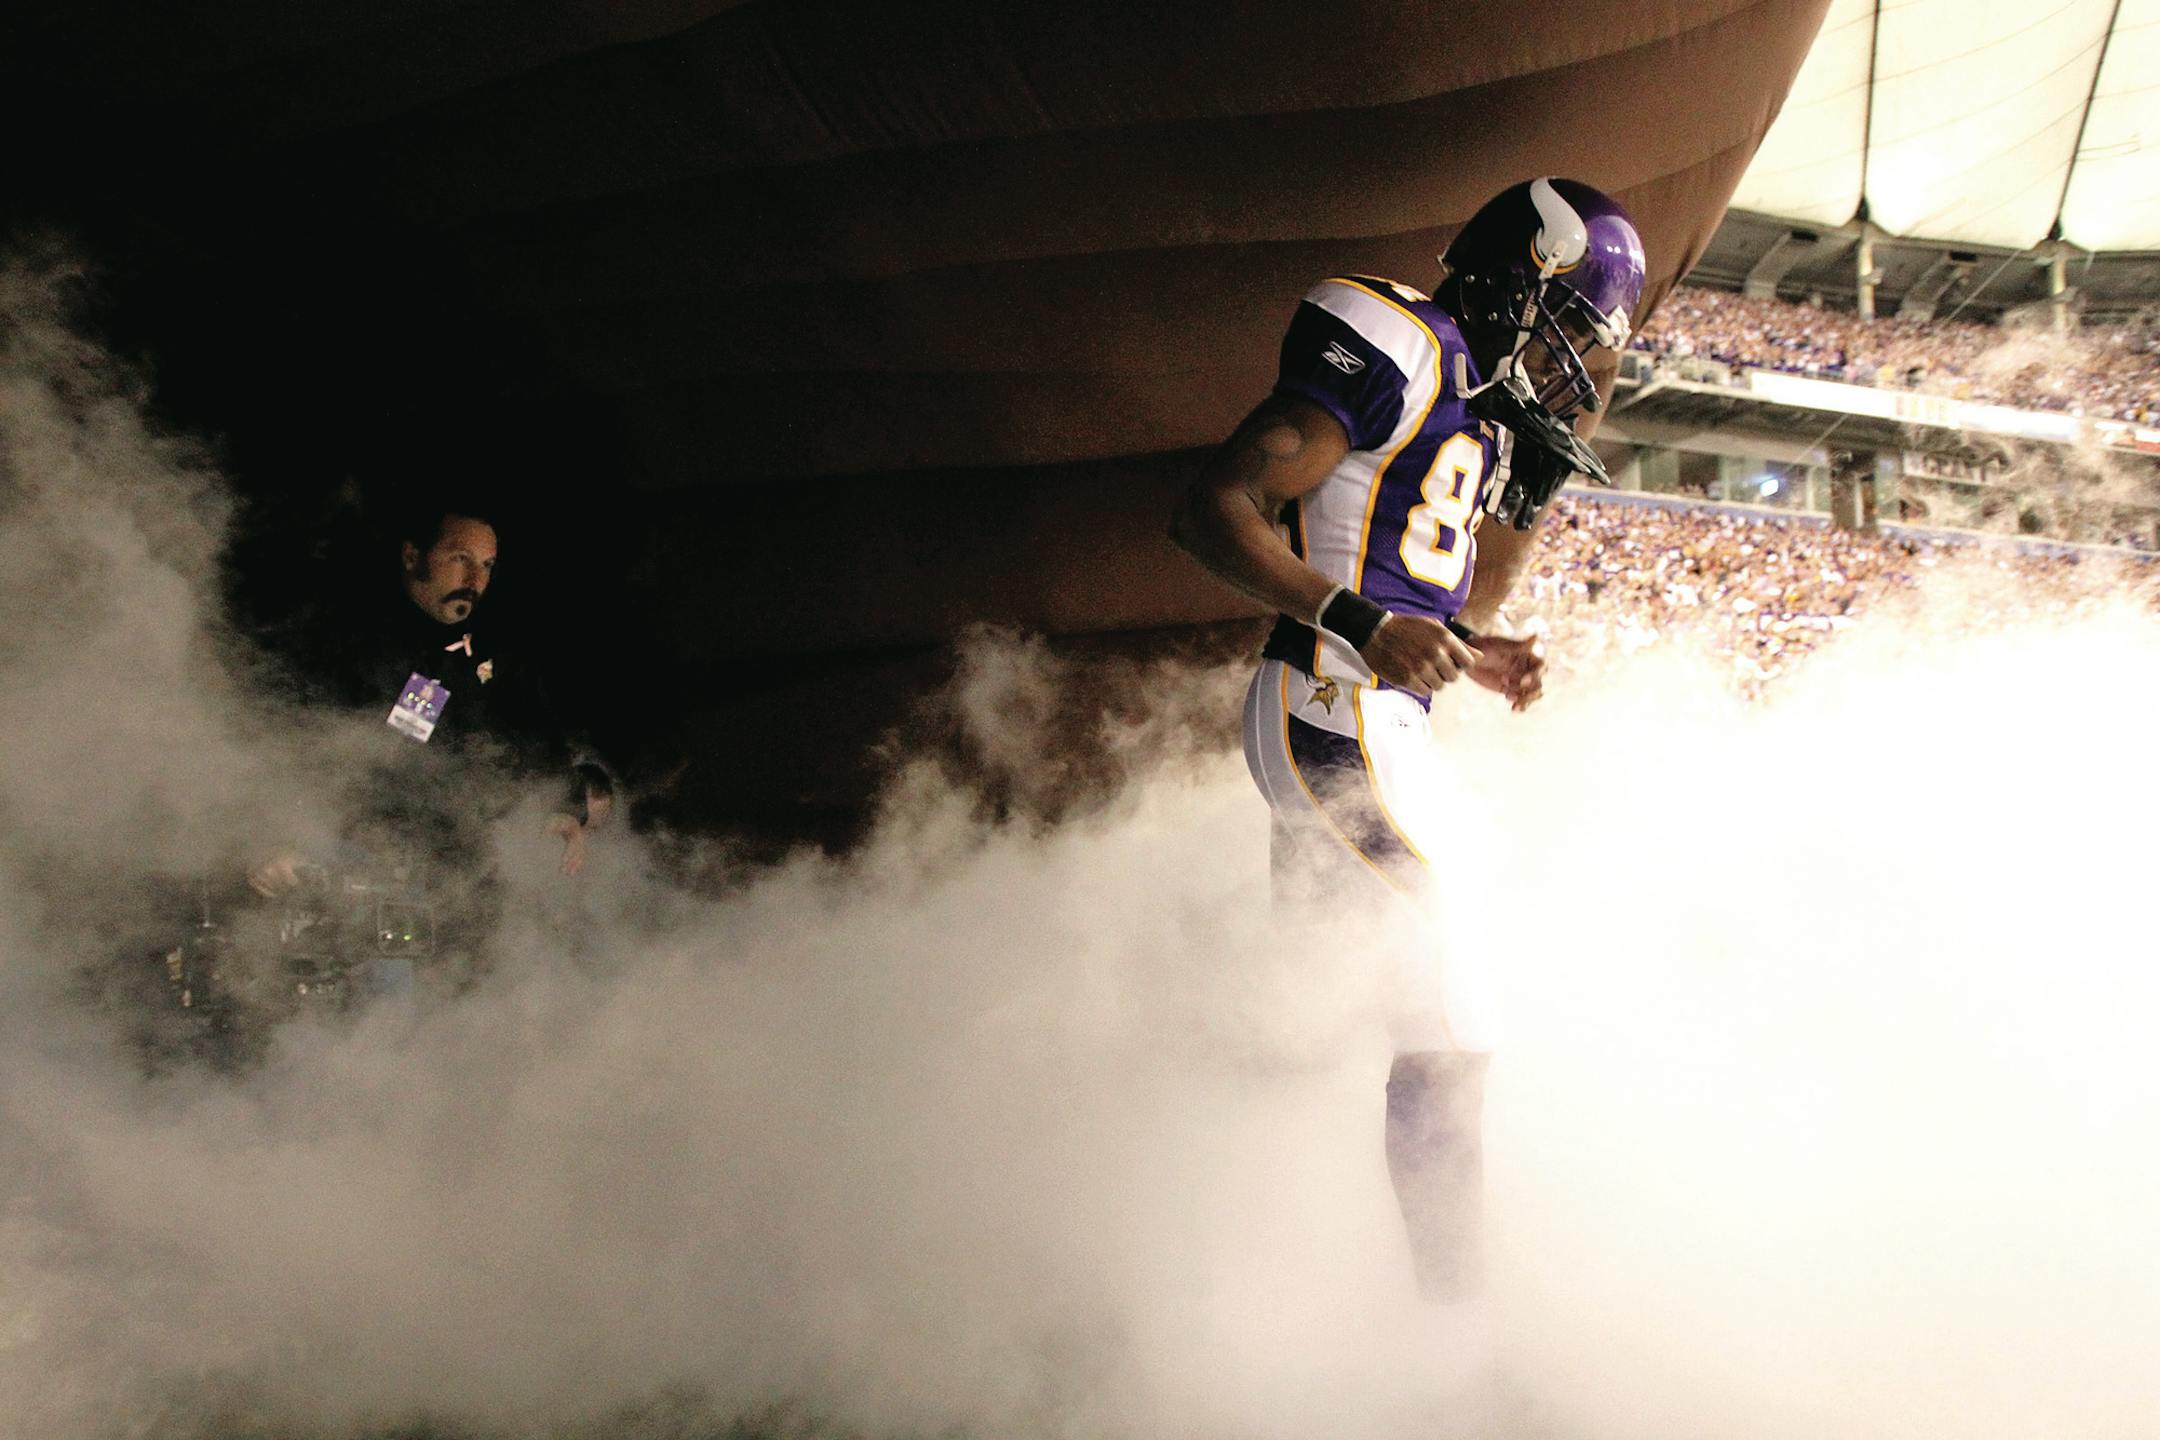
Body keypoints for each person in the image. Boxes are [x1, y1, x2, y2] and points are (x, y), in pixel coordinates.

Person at [1170, 177, 1646, 1299]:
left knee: (1309, 1011)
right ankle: (1454, 1334)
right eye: (1572, 321)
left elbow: (1417, 580)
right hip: (1329, 710)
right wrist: (1359, 622)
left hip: (1383, 722)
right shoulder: (1397, 338)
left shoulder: (1481, 404)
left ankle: (1194, 1199)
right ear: (1520, 275)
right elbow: (1212, 511)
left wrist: (1466, 647)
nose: (1576, 358)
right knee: (1453, 1006)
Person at [248, 493, 614, 898]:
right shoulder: (346, 637)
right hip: (354, 863)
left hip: (462, 875)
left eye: (487, 566)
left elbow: (534, 731)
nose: (474, 581)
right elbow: (299, 746)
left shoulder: (492, 648)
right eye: (460, 558)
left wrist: (565, 808)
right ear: (412, 557)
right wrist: (284, 835)